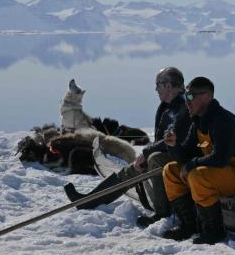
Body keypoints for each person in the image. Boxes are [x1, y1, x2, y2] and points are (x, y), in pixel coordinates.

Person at [63, 67, 192, 227]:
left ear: (168, 86)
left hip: (181, 161)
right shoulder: (168, 106)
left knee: (153, 159)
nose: (155, 89)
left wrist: (146, 152)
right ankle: (89, 200)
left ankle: (162, 213)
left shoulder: (183, 107)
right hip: (170, 157)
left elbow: (172, 138)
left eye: (158, 84)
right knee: (132, 170)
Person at [162, 76, 235, 244]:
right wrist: (173, 145)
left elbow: (220, 158)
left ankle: (214, 231)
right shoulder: (198, 122)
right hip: (220, 174)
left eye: (190, 96)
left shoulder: (224, 120)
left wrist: (192, 164)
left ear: (206, 96)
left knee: (197, 175)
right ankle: (188, 225)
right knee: (170, 170)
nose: (186, 101)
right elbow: (185, 154)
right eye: (185, 96)